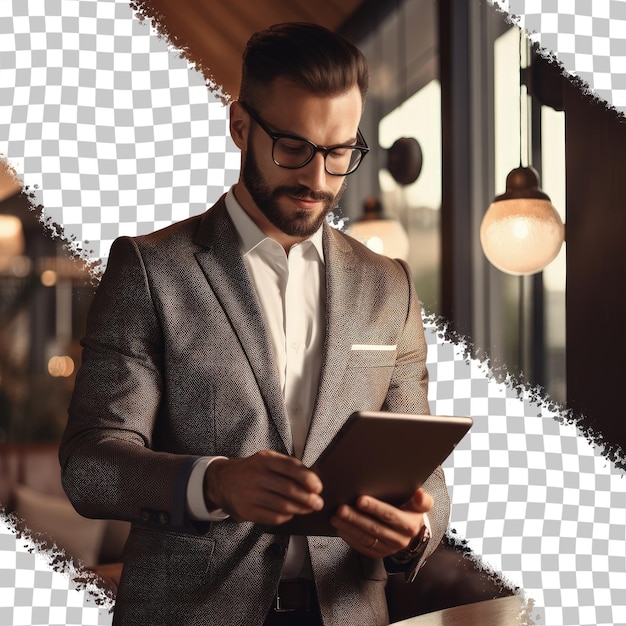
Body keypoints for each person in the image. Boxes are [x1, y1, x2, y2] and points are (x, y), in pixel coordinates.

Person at [59, 22, 450, 626]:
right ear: (241, 126)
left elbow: (424, 471)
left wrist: (413, 530)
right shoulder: (150, 269)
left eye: (340, 152)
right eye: (293, 148)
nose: (318, 180)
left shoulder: (388, 284)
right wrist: (213, 483)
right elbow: (91, 465)